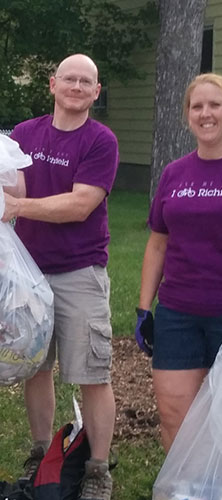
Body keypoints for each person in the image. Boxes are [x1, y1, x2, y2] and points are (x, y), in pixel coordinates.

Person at [2, 53, 119, 500]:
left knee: (91, 373)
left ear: (95, 92)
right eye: (68, 78)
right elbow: (14, 187)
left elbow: (79, 205)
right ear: (52, 85)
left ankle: (96, 469)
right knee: (35, 366)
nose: (76, 86)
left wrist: (17, 208)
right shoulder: (26, 134)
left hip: (79, 272)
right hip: (28, 273)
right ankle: (39, 453)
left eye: (85, 81)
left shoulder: (101, 140)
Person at [135, 72, 222, 454]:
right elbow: (157, 244)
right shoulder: (174, 173)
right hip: (178, 314)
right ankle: (183, 492)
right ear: (187, 115)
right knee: (174, 414)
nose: (205, 113)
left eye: (215, 105)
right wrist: (145, 308)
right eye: (197, 106)